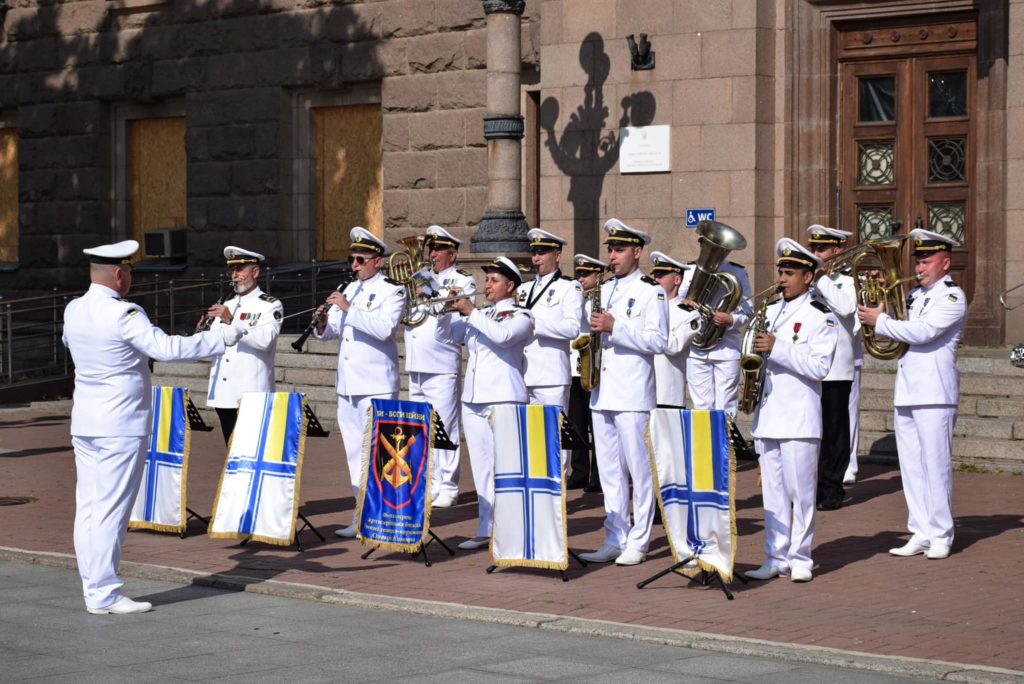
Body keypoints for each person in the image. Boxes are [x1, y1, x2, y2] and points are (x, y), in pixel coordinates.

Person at [63, 240, 242, 614]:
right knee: (110, 510)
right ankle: (105, 593)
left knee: (90, 508)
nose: (129, 277)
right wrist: (220, 338)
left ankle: (93, 587)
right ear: (117, 274)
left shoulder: (74, 309)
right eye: (128, 270)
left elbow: (73, 345)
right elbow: (166, 348)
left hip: (86, 422)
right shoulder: (125, 313)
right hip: (120, 424)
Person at [858, 229, 966, 560]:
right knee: (912, 468)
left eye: (927, 260)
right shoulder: (914, 296)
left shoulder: (952, 297)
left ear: (945, 263)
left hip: (935, 392)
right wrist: (872, 294)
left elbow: (922, 332)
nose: (920, 266)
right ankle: (920, 530)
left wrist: (881, 321)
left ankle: (942, 533)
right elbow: (887, 321)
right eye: (918, 260)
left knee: (936, 466)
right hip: (907, 392)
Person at [745, 238, 838, 583]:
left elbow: (819, 367)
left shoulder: (820, 317)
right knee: (773, 493)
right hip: (769, 414)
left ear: (808, 277)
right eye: (780, 272)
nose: (782, 279)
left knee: (801, 492)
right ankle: (775, 555)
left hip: (799, 418)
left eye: (789, 273)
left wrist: (778, 348)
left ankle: (801, 557)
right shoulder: (768, 311)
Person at [579, 219, 668, 566]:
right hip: (602, 390)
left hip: (632, 393)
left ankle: (640, 539)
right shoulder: (606, 288)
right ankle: (615, 534)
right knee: (609, 471)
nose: (612, 257)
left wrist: (618, 327)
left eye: (618, 250)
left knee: (639, 470)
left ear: (637, 252)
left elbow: (658, 341)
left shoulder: (651, 291)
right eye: (610, 250)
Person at [435, 257, 533, 550]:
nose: (487, 285)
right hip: (474, 400)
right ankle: (485, 527)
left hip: (504, 397)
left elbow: (502, 338)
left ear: (510, 285)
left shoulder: (520, 316)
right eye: (487, 280)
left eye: (493, 281)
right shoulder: (481, 314)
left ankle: (512, 529)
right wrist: (445, 310)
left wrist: (471, 312)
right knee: (481, 468)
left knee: (505, 467)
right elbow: (447, 337)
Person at [314, 227, 405, 538]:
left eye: (360, 259)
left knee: (381, 453)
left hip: (376, 383)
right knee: (354, 452)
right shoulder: (350, 289)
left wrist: (348, 309)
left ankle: (386, 517)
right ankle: (361, 513)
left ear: (377, 261)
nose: (354, 265)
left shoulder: (393, 291)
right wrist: (324, 322)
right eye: (352, 258)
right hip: (348, 384)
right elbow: (335, 333)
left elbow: (384, 330)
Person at [403, 225, 476, 508]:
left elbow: (456, 324)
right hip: (417, 363)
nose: (432, 255)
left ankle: (448, 485)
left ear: (453, 255)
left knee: (445, 426)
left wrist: (430, 292)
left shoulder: (462, 281)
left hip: (442, 362)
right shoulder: (420, 277)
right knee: (421, 428)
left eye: (438, 250)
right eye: (430, 249)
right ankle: (429, 481)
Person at [204, 246, 284, 445]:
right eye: (232, 270)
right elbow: (215, 341)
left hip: (250, 391)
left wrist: (232, 321)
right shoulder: (227, 304)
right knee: (231, 451)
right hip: (224, 392)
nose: (235, 275)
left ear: (255, 272)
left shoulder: (270, 305)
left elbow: (266, 340)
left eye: (240, 270)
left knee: (251, 450)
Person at [806, 226, 860, 510]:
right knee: (812, 431)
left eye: (821, 250)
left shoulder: (846, 282)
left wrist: (822, 279)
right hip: (808, 365)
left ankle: (831, 489)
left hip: (837, 367)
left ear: (837, 251)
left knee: (835, 432)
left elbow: (847, 308)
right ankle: (810, 487)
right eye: (813, 249)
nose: (815, 254)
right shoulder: (807, 281)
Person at [516, 228, 583, 413]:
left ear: (557, 255)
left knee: (554, 437)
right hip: (523, 375)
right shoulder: (523, 288)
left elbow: (572, 328)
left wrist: (535, 324)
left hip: (551, 378)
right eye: (534, 253)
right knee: (529, 438)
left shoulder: (570, 287)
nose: (536, 259)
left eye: (542, 253)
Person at [684, 242, 752, 418]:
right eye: (706, 244)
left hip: (726, 348)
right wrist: (686, 306)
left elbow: (748, 309)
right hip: (696, 348)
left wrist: (731, 319)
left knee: (726, 405)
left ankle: (726, 445)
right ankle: (704, 445)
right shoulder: (689, 270)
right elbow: (678, 303)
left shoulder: (737, 272)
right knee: (700, 406)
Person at [566, 254, 606, 491]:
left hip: (594, 367)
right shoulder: (575, 296)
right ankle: (579, 471)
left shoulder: (602, 298)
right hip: (574, 366)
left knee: (596, 424)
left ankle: (598, 476)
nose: (581, 279)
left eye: (586, 274)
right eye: (579, 274)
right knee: (577, 424)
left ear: (598, 276)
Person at [650, 251, 699, 408]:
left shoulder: (689, 313)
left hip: (667, 395)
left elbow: (674, 346)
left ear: (677, 279)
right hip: (641, 391)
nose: (656, 279)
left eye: (661, 275)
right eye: (655, 275)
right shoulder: (648, 307)